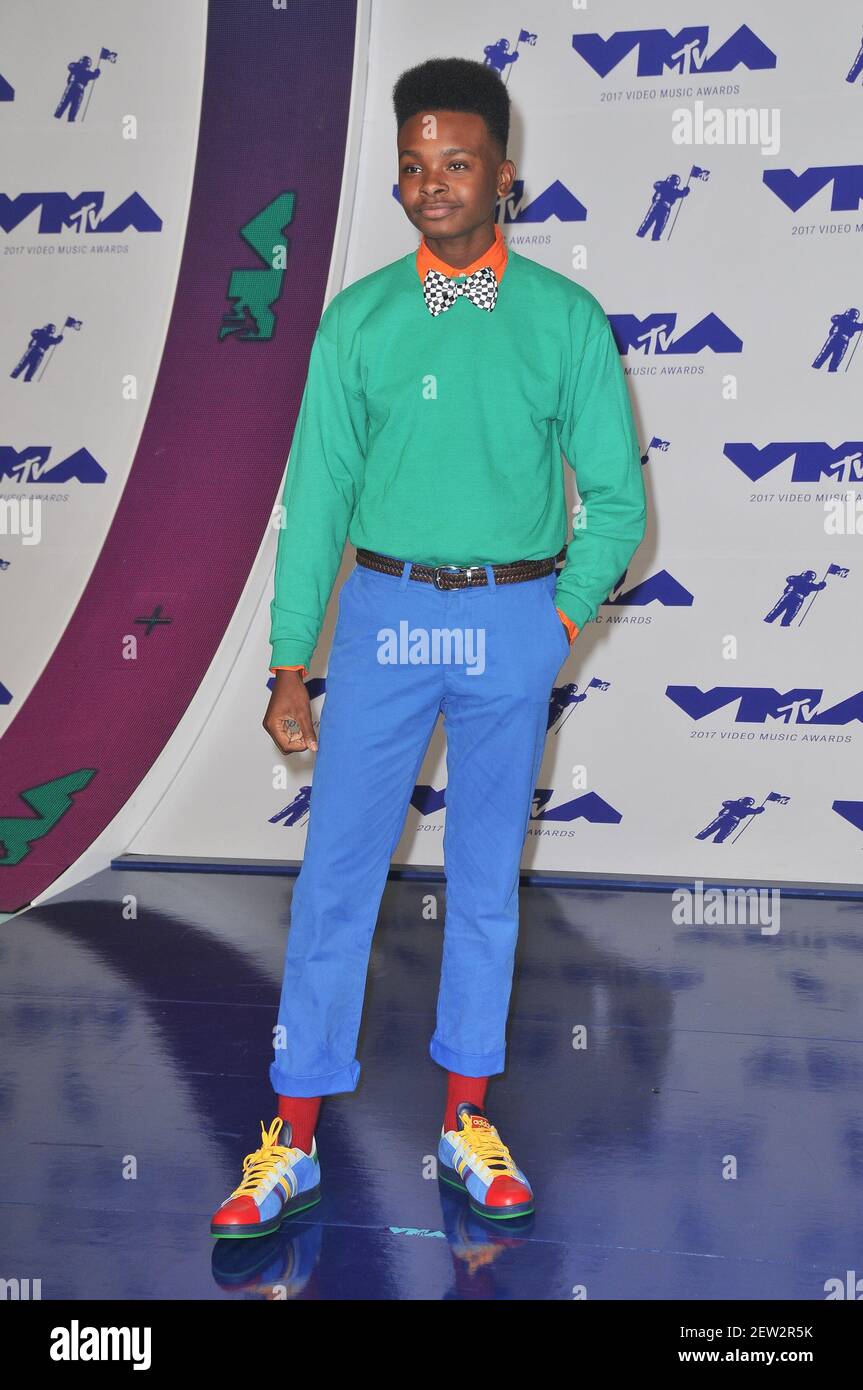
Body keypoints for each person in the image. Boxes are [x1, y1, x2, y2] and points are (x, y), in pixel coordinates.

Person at [211, 56, 646, 1237]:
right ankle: (290, 1140)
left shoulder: (563, 319)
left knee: (486, 882)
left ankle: (465, 1121)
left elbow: (614, 505)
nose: (429, 185)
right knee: (335, 881)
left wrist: (552, 622)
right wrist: (289, 660)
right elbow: (313, 499)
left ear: (503, 175)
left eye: (455, 163)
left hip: (511, 618)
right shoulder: (358, 321)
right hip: (386, 620)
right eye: (411, 165)